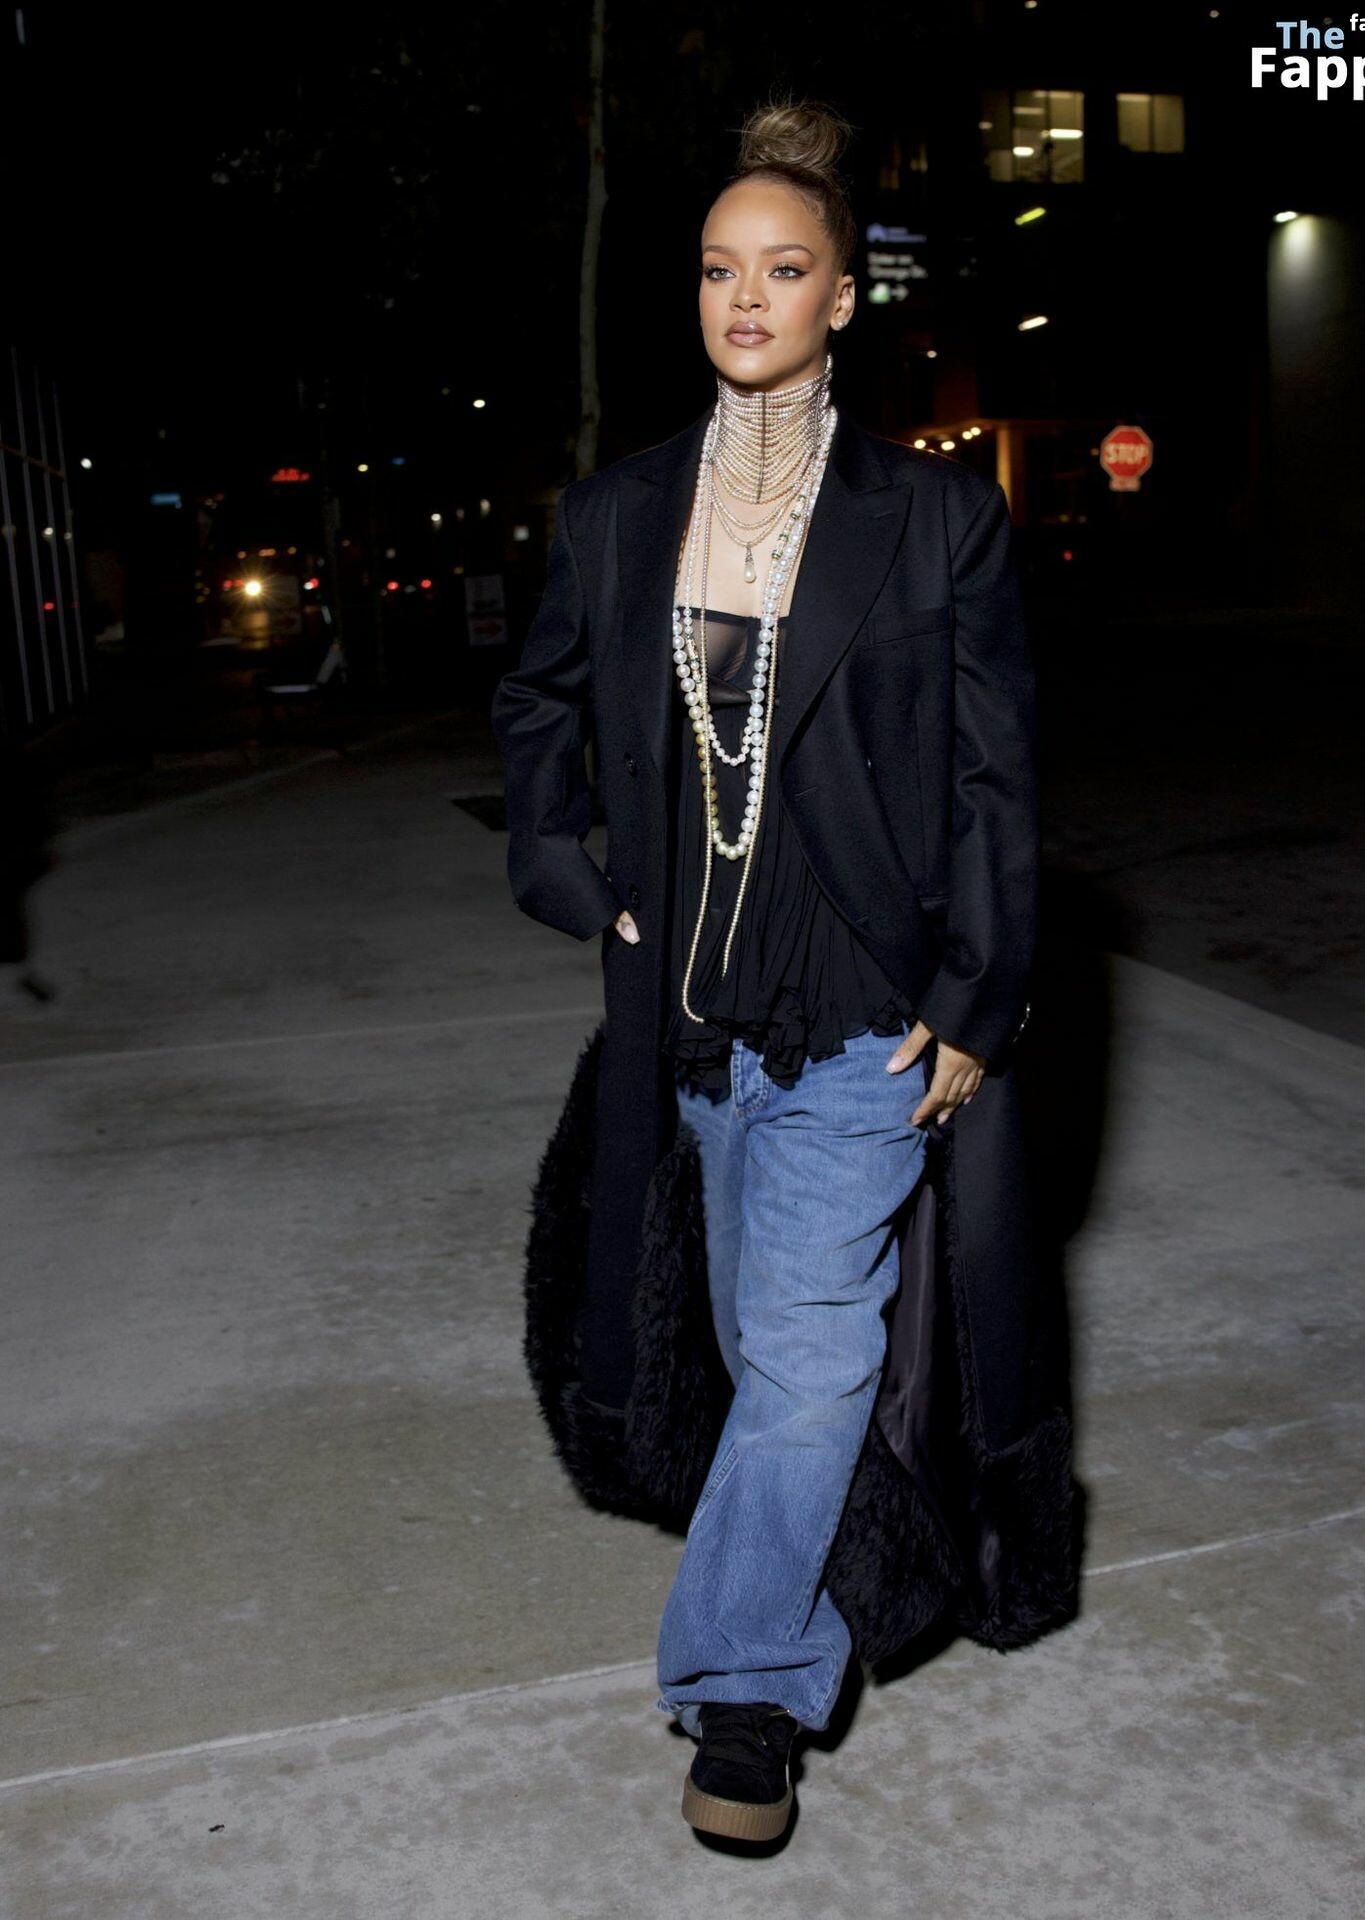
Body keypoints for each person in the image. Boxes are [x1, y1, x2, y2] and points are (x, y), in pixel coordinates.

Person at [491, 95, 1042, 1845]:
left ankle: (742, 1698)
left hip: (863, 1009)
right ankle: (834, 1584)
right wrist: (574, 874)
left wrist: (975, 996)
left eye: (785, 268)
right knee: (756, 1347)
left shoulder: (934, 518)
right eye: (721, 268)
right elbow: (536, 705)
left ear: (842, 298)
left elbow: (994, 777)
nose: (747, 297)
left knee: (805, 1355)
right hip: (692, 1020)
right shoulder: (616, 514)